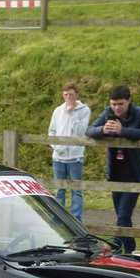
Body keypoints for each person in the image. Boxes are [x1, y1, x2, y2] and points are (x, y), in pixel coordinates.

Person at [86, 85, 140, 253]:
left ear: (129, 101)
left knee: (123, 215)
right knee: (122, 217)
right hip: (116, 174)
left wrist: (122, 130)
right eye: (114, 104)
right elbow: (89, 130)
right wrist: (102, 129)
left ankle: (121, 248)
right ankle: (126, 249)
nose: (116, 108)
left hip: (136, 173)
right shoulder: (107, 113)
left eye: (120, 104)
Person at [48, 82, 91, 221]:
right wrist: (56, 147)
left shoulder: (84, 110)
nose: (68, 97)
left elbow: (81, 131)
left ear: (76, 95)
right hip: (58, 157)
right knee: (59, 189)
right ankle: (58, 219)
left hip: (75, 156)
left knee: (76, 190)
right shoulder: (57, 110)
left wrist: (72, 113)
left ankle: (76, 219)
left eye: (71, 94)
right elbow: (52, 131)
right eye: (66, 94)